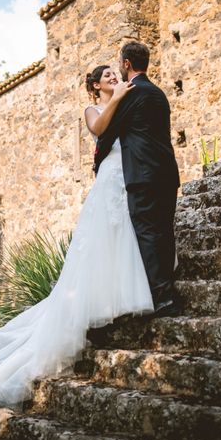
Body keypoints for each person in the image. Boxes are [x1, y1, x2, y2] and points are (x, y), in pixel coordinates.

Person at [0, 63, 156, 406]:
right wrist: (117, 98)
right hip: (108, 181)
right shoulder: (94, 108)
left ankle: (119, 299)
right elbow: (100, 129)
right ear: (95, 87)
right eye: (108, 78)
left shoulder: (126, 103)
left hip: (126, 178)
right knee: (99, 242)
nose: (115, 79)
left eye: (117, 75)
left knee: (123, 238)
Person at [94, 41, 181, 315]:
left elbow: (106, 134)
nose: (117, 70)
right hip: (167, 171)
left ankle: (161, 297)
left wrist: (97, 162)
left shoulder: (130, 93)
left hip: (142, 175)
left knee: (147, 232)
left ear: (126, 64)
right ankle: (168, 291)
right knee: (165, 231)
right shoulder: (159, 93)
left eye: (119, 64)